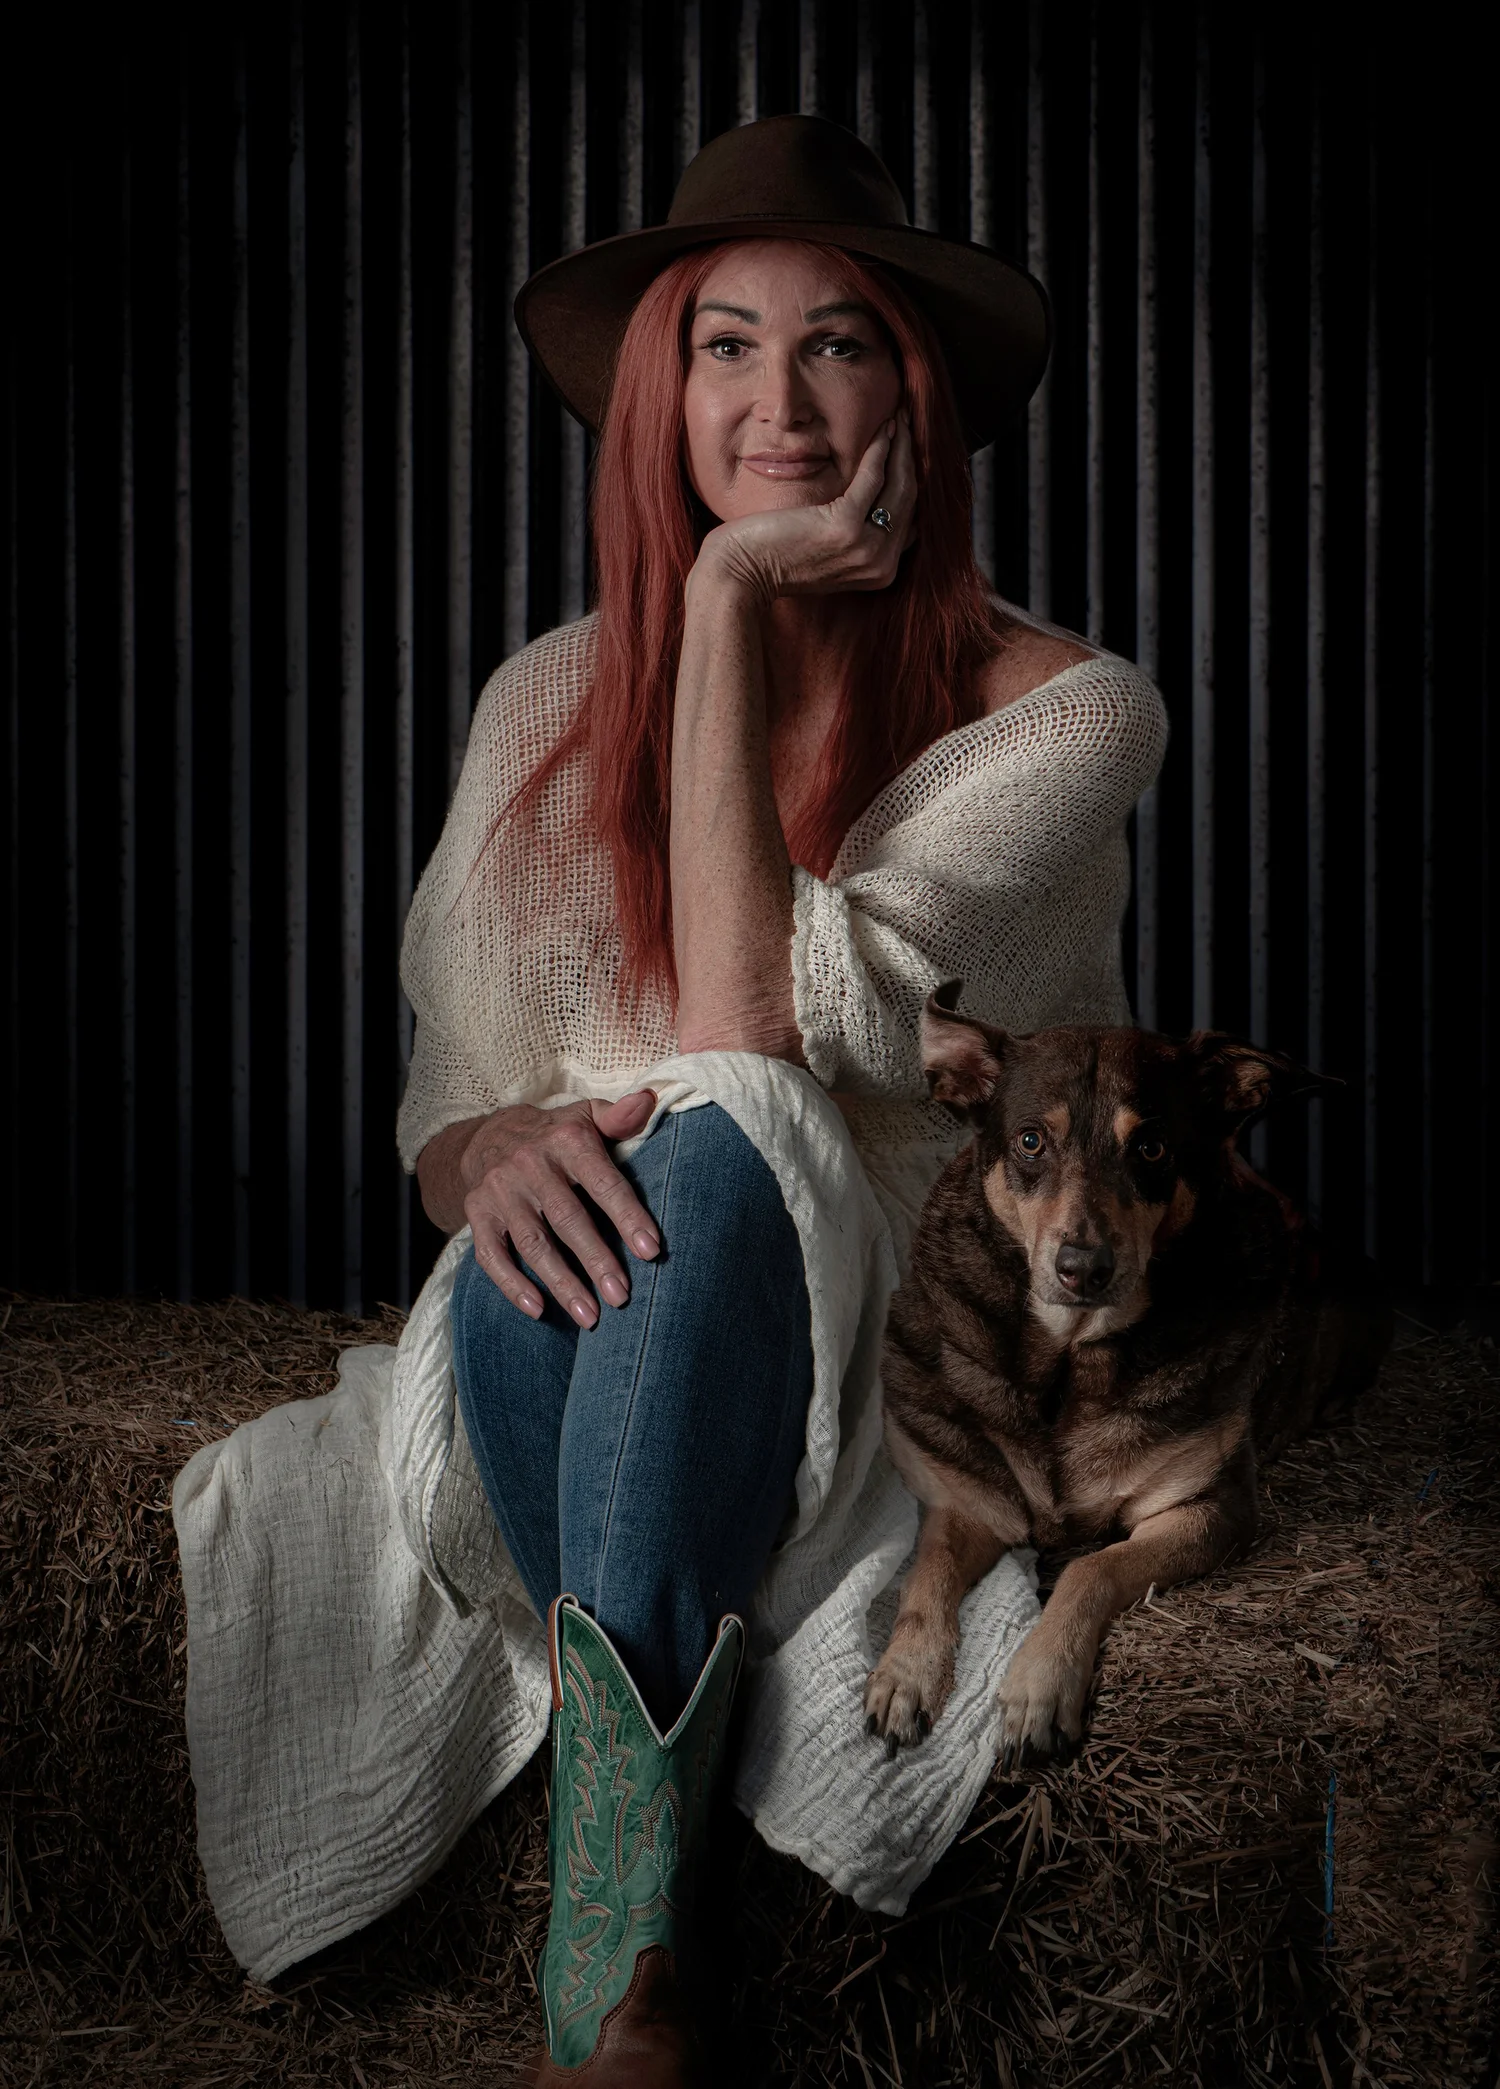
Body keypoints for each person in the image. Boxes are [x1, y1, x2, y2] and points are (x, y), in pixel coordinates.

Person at [173, 113, 1165, 2089]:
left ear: (914, 394)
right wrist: (493, 1156)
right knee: (606, 1198)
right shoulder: (543, 698)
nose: (779, 401)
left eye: (838, 343)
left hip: (888, 1351)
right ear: (661, 392)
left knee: (718, 1139)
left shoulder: (1071, 712)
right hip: (563, 1328)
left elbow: (752, 1033)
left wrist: (722, 604)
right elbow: (449, 1103)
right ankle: (641, 1991)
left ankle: (622, 1988)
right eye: (724, 345)